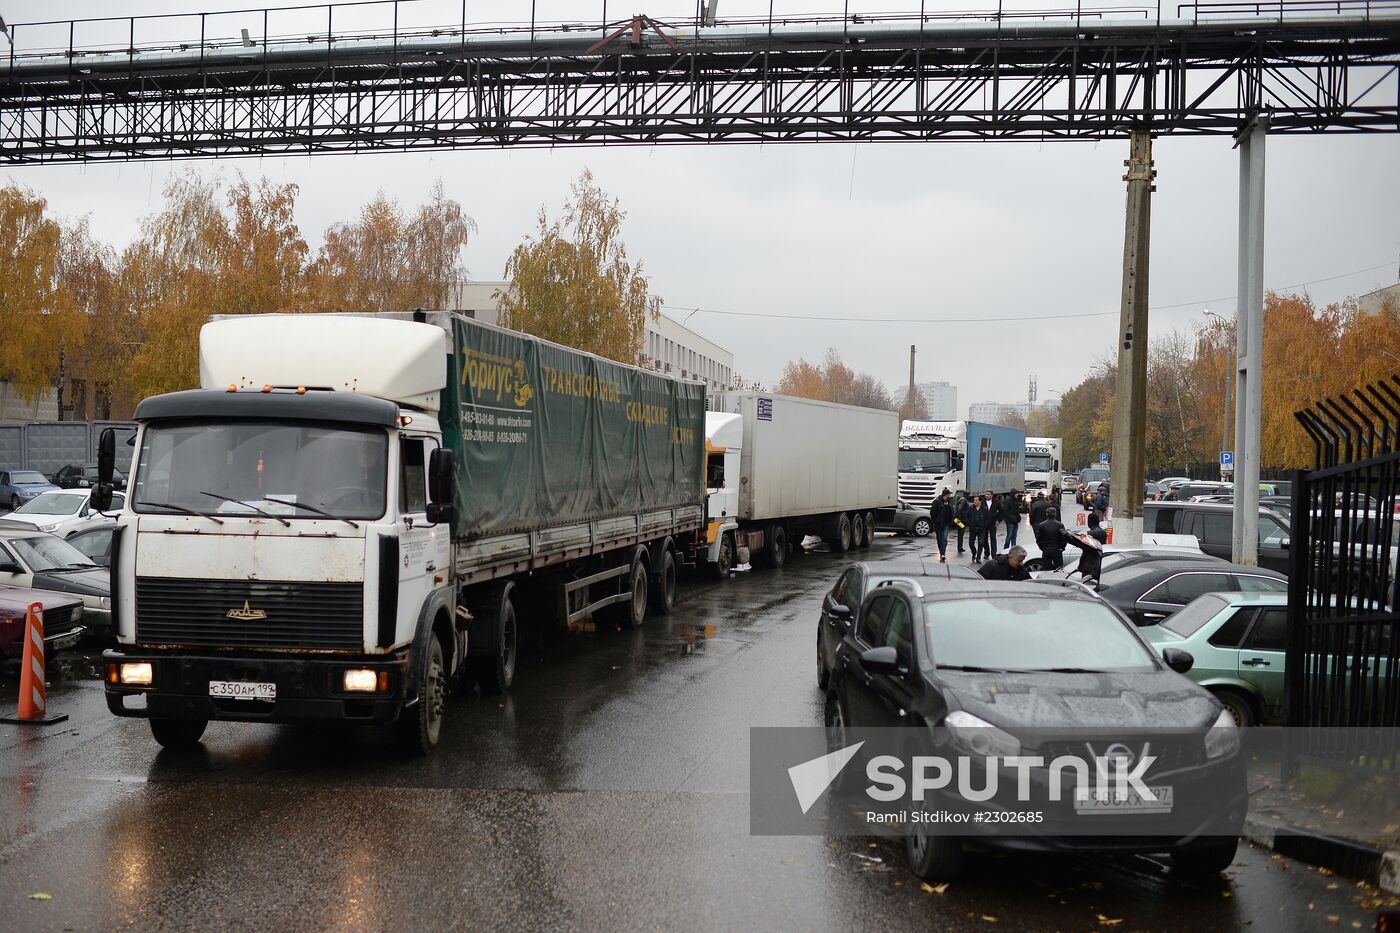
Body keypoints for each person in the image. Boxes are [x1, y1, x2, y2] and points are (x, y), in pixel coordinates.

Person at [1033, 506, 1085, 570]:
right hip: (1057, 550)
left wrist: (1042, 547)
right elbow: (1064, 538)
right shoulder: (1060, 525)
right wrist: (1062, 548)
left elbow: (1038, 538)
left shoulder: (1041, 525)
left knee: (1046, 569)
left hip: (1046, 550)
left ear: (1046, 514)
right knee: (1058, 569)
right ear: (1055, 514)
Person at [930, 489, 955, 563]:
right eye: (949, 494)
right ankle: (941, 552)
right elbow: (932, 512)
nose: (949, 496)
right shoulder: (937, 502)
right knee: (939, 539)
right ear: (946, 495)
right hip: (939, 524)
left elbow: (951, 512)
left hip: (946, 524)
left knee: (944, 538)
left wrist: (952, 521)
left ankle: (943, 554)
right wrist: (935, 521)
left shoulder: (949, 502)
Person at [967, 494, 993, 562]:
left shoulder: (984, 509)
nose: (975, 502)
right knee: (971, 543)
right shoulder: (970, 508)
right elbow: (966, 517)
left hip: (981, 529)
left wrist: (984, 525)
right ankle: (974, 553)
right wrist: (969, 524)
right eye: (974, 500)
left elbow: (988, 518)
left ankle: (978, 557)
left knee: (981, 543)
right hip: (972, 529)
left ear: (980, 501)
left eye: (976, 500)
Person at [952, 489, 970, 555]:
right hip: (960, 520)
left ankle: (960, 547)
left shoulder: (961, 499)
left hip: (958, 519)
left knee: (961, 533)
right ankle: (960, 547)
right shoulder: (963, 500)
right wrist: (960, 520)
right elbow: (959, 509)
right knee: (961, 533)